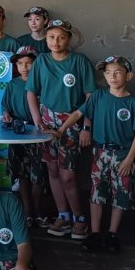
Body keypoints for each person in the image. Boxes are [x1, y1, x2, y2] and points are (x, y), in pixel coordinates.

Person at [48, 56, 135, 253]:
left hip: (122, 155)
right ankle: (94, 233)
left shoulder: (133, 103)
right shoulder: (99, 96)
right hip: (100, 152)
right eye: (108, 72)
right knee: (96, 194)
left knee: (120, 195)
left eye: (118, 72)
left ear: (129, 75)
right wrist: (61, 129)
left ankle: (111, 234)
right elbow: (77, 114)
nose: (112, 76)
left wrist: (129, 159)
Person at [26, 19, 96, 240]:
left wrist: (86, 127)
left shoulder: (79, 62)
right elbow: (31, 92)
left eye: (61, 37)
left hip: (72, 122)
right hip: (47, 122)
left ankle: (79, 218)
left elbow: (90, 97)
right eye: (51, 37)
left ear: (69, 39)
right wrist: (38, 120)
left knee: (68, 175)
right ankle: (63, 215)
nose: (55, 41)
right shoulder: (41, 61)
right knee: (52, 171)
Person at [1, 47, 47, 228]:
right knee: (22, 175)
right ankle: (28, 212)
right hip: (19, 133)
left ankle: (39, 212)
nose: (25, 67)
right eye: (20, 63)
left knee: (39, 175)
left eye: (29, 63)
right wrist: (6, 114)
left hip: (40, 133)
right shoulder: (13, 84)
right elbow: (5, 105)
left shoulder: (44, 83)